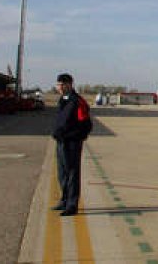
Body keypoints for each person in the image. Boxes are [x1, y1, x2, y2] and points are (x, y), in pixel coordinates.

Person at [53, 73, 92, 216]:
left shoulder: (77, 102)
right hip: (61, 142)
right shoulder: (62, 100)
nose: (60, 87)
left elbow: (86, 125)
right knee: (62, 173)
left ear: (70, 84)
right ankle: (64, 200)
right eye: (58, 85)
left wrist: (75, 137)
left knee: (72, 174)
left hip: (72, 144)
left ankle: (72, 205)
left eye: (63, 84)